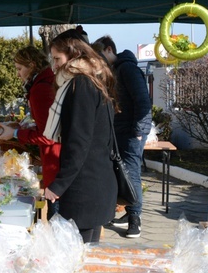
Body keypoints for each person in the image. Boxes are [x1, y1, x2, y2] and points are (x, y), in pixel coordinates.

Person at [42, 29, 118, 243]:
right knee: (87, 259)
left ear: (74, 55)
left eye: (57, 58)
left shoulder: (80, 84)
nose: (54, 65)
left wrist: (58, 185)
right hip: (96, 183)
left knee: (78, 260)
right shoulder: (94, 79)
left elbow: (78, 142)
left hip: (85, 188)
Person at [94, 35, 152, 238]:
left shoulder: (127, 69)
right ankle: (129, 212)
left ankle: (135, 218)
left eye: (101, 56)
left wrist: (138, 131)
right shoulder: (115, 70)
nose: (99, 62)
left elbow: (143, 101)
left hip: (131, 132)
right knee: (123, 172)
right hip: (120, 130)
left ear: (110, 50)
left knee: (131, 172)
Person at [0, 46, 61, 218]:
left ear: (31, 65)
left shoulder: (40, 89)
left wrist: (15, 134)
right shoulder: (46, 82)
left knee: (58, 220)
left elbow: (47, 135)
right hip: (59, 160)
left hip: (55, 162)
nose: (17, 74)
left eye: (19, 69)